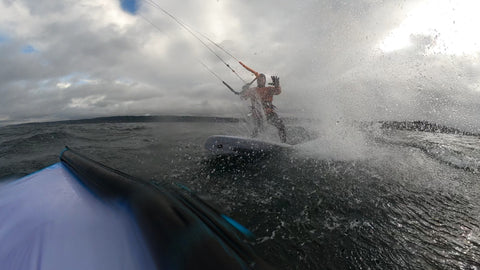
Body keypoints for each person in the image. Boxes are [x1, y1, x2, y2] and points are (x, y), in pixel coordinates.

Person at [238, 63, 287, 143]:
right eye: (259, 79)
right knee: (258, 129)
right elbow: (242, 97)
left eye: (262, 79)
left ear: (265, 80)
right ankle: (251, 142)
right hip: (257, 114)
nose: (260, 80)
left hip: (269, 113)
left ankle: (284, 143)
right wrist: (244, 89)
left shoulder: (269, 89)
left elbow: (278, 91)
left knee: (281, 126)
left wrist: (277, 85)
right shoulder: (252, 90)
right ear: (257, 81)